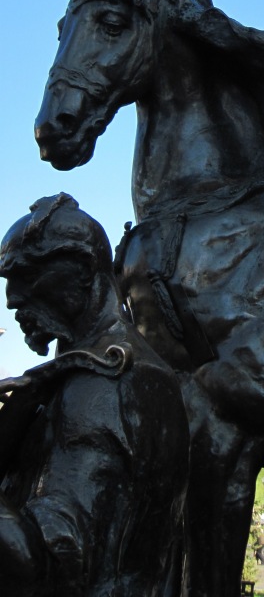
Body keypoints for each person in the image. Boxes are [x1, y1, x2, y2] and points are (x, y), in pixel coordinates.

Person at [0, 192, 189, 597]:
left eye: (27, 276)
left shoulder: (105, 383)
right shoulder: (84, 374)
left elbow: (49, 564)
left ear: (84, 270)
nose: (12, 298)